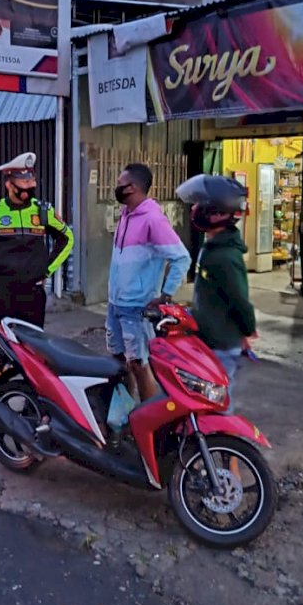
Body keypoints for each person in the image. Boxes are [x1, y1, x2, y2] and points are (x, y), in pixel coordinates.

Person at [0, 151, 74, 382]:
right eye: (23, 182)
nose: (29, 187)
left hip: (32, 295)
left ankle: (32, 407)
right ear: (9, 184)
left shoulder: (43, 211)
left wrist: (47, 269)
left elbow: (67, 238)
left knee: (34, 352)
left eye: (32, 181)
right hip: (0, 295)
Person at [107, 163, 191, 424]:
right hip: (115, 304)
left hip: (135, 308)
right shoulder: (126, 214)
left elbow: (181, 258)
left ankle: (153, 426)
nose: (117, 187)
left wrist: (165, 295)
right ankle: (125, 418)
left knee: (139, 366)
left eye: (120, 183)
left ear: (131, 187)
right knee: (120, 363)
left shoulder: (153, 219)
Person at [175, 173, 257, 409]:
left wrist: (247, 330)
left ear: (219, 213)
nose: (196, 210)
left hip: (222, 343)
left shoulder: (224, 256)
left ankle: (220, 443)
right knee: (203, 395)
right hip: (210, 338)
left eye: (203, 206)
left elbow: (240, 300)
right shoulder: (211, 248)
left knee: (217, 400)